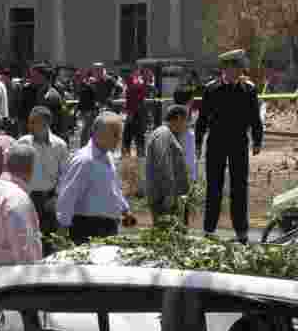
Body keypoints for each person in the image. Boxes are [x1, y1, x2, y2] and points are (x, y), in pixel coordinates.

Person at [195, 50, 263, 244]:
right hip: (216, 143)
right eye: (236, 68)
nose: (239, 72)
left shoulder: (248, 89)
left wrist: (257, 140)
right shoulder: (211, 89)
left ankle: (241, 232)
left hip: (239, 143)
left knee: (239, 188)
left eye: (240, 69)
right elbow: (202, 119)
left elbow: (255, 118)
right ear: (226, 68)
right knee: (214, 187)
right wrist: (198, 142)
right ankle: (209, 230)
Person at [56, 113, 131, 244]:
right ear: (99, 134)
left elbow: (113, 188)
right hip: (88, 228)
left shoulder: (107, 157)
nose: (119, 139)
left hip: (108, 226)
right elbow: (68, 194)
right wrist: (62, 228)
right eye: (115, 134)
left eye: (119, 134)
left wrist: (125, 209)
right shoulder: (84, 160)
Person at [14, 105, 70, 252]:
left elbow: (65, 175)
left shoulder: (60, 145)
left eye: (34, 122)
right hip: (27, 198)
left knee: (49, 241)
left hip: (50, 199)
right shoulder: (22, 143)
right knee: (27, 239)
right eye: (30, 121)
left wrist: (56, 196)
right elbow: (14, 172)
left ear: (46, 123)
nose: (29, 125)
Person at [146, 105, 191, 223]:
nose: (187, 125)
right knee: (167, 234)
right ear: (179, 118)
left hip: (168, 197)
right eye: (186, 121)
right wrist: (169, 195)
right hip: (164, 199)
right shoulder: (163, 135)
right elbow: (163, 165)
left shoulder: (167, 134)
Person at [122, 68, 149, 157]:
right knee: (135, 135)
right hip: (135, 112)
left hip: (135, 113)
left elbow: (136, 99)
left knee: (131, 135)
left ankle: (136, 153)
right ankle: (135, 153)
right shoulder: (138, 83)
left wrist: (131, 113)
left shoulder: (136, 84)